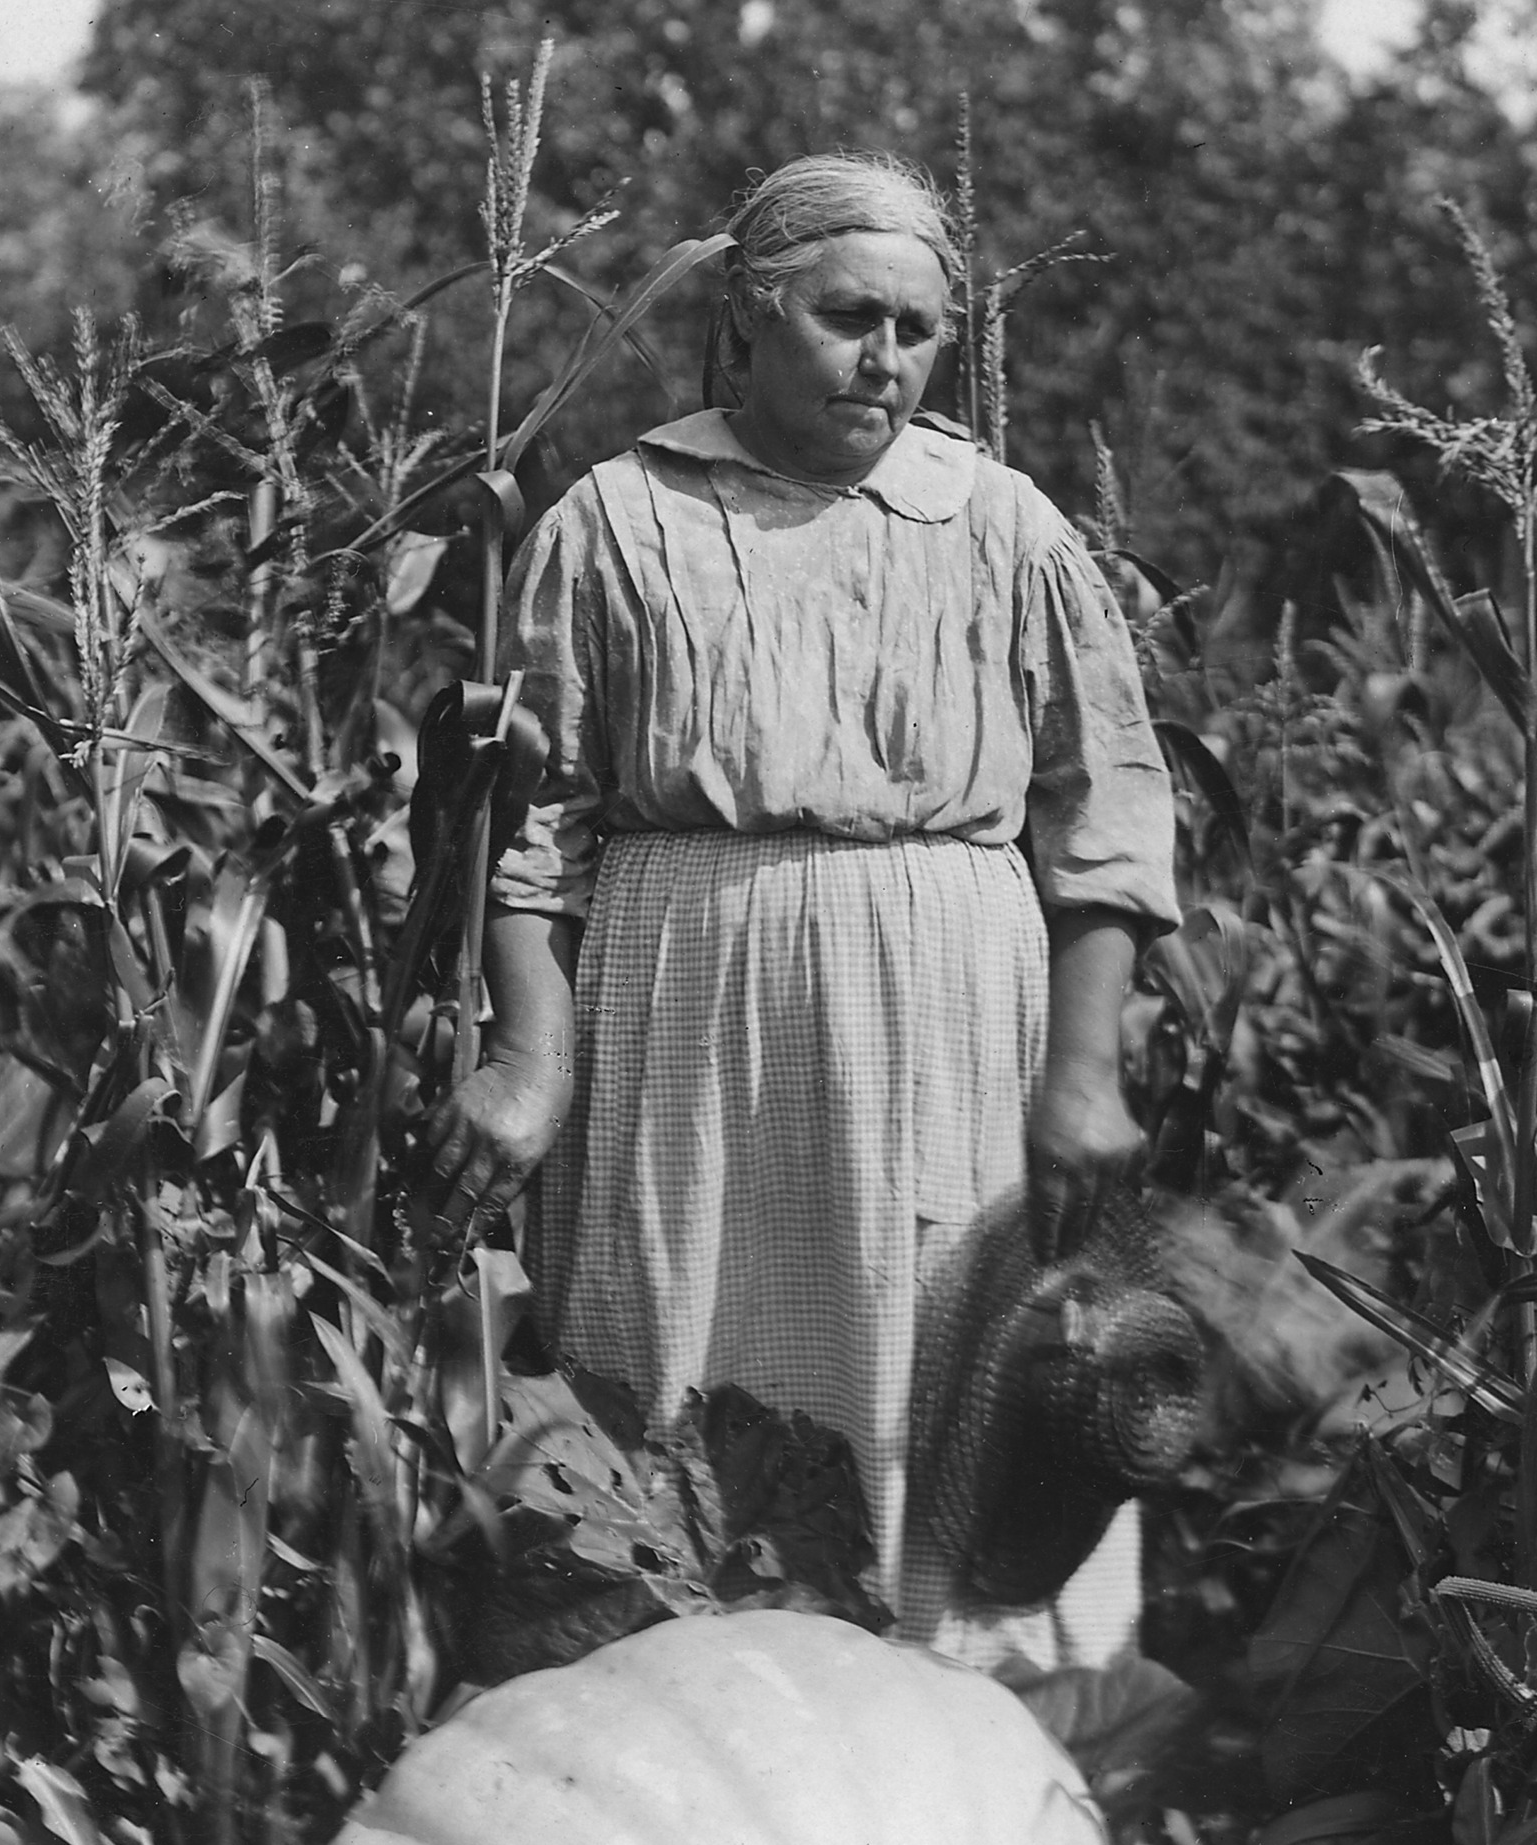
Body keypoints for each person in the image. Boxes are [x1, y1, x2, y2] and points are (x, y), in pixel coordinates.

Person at [421, 152, 1179, 1659]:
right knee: (681, 1418)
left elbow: (1105, 816)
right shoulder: (622, 522)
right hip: (687, 1037)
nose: (885, 360)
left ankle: (960, 1771)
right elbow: (536, 824)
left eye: (915, 329)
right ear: (749, 324)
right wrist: (527, 1059)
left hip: (946, 1033)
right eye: (847, 319)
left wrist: (1084, 1075)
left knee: (940, 1398)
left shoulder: (1003, 527)